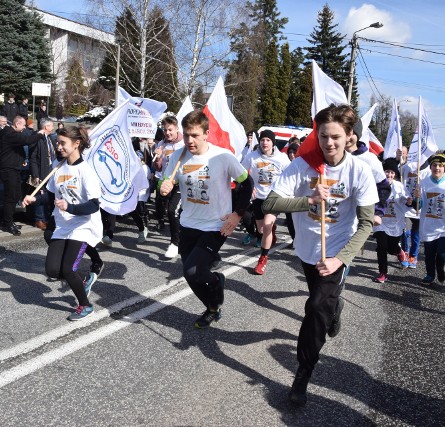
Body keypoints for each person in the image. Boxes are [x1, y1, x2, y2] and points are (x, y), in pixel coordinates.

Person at [262, 104, 378, 406]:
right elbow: (270, 203)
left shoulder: (359, 170)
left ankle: (302, 373)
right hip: (307, 249)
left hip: (337, 253)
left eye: (336, 137)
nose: (329, 143)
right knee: (322, 303)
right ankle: (333, 307)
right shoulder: (303, 165)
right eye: (323, 136)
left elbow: (366, 223)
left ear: (349, 136)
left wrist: (341, 258)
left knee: (314, 308)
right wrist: (308, 200)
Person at [159, 110, 253, 328]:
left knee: (194, 269)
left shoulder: (222, 157)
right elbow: (165, 182)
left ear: (206, 133)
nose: (189, 141)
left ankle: (216, 287)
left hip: (216, 225)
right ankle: (212, 306)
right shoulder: (178, 156)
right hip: (189, 222)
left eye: (195, 135)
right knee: (189, 273)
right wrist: (163, 187)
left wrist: (237, 215)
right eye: (186, 135)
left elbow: (247, 184)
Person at [23, 125, 103, 321]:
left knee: (68, 269)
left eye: (62, 143)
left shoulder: (86, 171)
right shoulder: (57, 168)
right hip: (62, 225)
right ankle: (82, 279)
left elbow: (93, 205)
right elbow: (50, 198)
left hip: (82, 226)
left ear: (76, 144)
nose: (58, 147)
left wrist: (70, 208)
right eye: (57, 143)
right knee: (52, 270)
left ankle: (85, 306)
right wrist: (35, 200)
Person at [241, 129, 290, 275]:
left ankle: (262, 259)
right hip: (258, 198)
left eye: (268, 140)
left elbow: (290, 176)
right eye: (262, 140)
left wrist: (285, 192)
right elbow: (242, 173)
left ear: (273, 142)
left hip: (273, 198)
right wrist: (249, 187)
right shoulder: (252, 157)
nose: (264, 142)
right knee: (261, 230)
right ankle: (270, 232)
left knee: (267, 227)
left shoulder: (282, 158)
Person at [411, 153, 445, 285]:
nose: (437, 168)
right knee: (429, 254)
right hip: (428, 226)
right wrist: (416, 198)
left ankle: (440, 269)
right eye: (434, 165)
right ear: (431, 167)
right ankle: (430, 274)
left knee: (441, 255)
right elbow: (418, 206)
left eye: (440, 166)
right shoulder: (423, 183)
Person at [0, 116, 50, 235]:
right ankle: (7, 223)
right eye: (23, 125)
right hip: (9, 169)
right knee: (10, 197)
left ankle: (8, 220)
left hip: (14, 168)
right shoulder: (10, 134)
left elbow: (16, 148)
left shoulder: (11, 134)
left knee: (16, 195)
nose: (24, 128)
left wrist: (21, 159)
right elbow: (26, 141)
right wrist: (40, 134)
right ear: (16, 124)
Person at [372, 158, 409, 283]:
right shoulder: (376, 185)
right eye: (387, 171)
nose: (389, 175)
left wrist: (410, 201)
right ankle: (383, 272)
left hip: (395, 223)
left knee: (391, 248)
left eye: (392, 172)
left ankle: (398, 251)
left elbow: (408, 200)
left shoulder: (399, 186)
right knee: (381, 246)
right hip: (380, 221)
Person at [153, 116, 184, 258]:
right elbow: (158, 168)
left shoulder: (184, 144)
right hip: (166, 182)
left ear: (177, 128)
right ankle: (181, 238)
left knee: (172, 211)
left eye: (170, 130)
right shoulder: (161, 144)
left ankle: (175, 243)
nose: (167, 133)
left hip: (181, 183)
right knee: (170, 211)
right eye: (165, 130)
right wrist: (158, 157)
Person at [29, 118, 58, 230]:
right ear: (46, 127)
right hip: (41, 172)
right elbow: (33, 158)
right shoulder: (37, 138)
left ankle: (47, 218)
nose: (53, 128)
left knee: (47, 195)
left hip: (51, 171)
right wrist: (36, 175)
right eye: (51, 126)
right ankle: (39, 219)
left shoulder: (50, 138)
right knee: (39, 195)